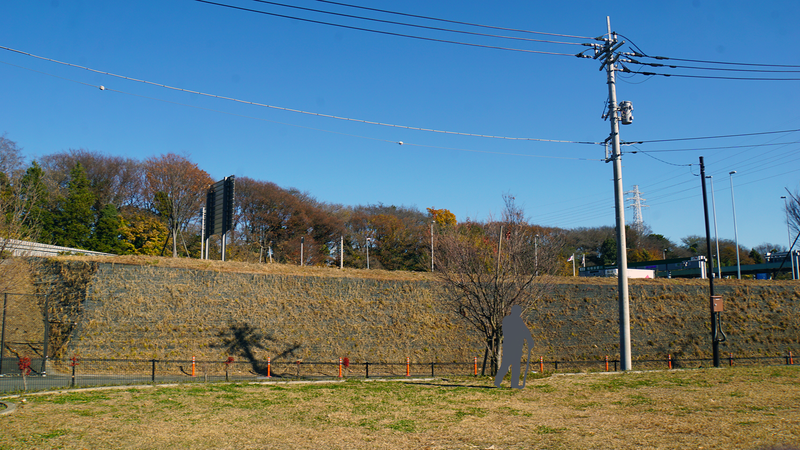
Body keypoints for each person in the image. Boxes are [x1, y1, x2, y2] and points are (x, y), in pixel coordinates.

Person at [494, 305, 533, 389]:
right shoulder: (508, 320)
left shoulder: (518, 320)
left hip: (517, 346)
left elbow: (525, 331)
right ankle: (497, 381)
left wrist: (529, 339)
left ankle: (514, 384)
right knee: (506, 365)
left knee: (516, 366)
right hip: (510, 346)